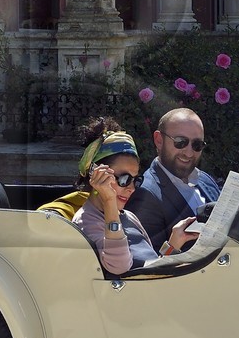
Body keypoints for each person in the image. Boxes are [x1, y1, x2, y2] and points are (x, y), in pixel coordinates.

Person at [72, 118, 197, 275]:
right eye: (124, 179)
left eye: (136, 180)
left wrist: (174, 243)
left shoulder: (128, 216)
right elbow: (120, 267)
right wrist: (109, 200)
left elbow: (150, 272)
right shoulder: (86, 221)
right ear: (97, 174)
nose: (131, 188)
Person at [127, 107, 220, 247]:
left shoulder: (205, 180)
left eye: (197, 145)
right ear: (159, 140)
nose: (189, 153)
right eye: (180, 142)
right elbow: (151, 263)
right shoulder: (145, 194)